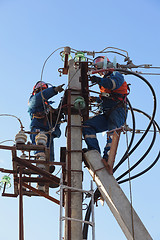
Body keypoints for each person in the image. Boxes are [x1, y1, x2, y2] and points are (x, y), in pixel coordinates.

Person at [82, 56, 129, 173]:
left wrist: (98, 80)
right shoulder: (103, 82)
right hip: (107, 112)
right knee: (87, 126)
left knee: (112, 132)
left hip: (118, 111)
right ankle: (94, 152)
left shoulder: (116, 75)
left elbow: (113, 85)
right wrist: (95, 100)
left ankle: (108, 157)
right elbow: (106, 97)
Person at [28, 81, 64, 174]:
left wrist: (58, 116)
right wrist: (54, 90)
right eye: (42, 90)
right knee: (41, 154)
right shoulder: (33, 100)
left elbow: (54, 123)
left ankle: (46, 172)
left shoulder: (48, 107)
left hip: (48, 132)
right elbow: (40, 97)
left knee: (48, 156)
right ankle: (41, 163)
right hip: (38, 130)